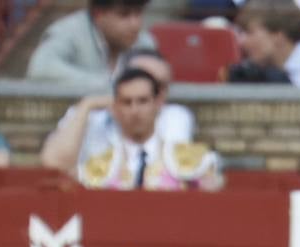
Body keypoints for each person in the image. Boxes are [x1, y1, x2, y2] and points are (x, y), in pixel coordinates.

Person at [40, 48, 195, 175]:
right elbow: (54, 165)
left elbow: (170, 175)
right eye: (139, 78)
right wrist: (87, 105)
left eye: (161, 86)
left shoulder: (174, 116)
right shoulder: (87, 114)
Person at [77, 68, 222, 191]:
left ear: (158, 103)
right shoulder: (100, 167)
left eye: (142, 101)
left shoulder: (191, 159)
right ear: (115, 108)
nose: (135, 110)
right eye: (127, 102)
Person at [26, 0, 156, 87]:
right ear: (98, 15)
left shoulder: (144, 41)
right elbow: (40, 68)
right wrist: (108, 84)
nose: (135, 24)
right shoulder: (68, 31)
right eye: (124, 15)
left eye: (138, 13)